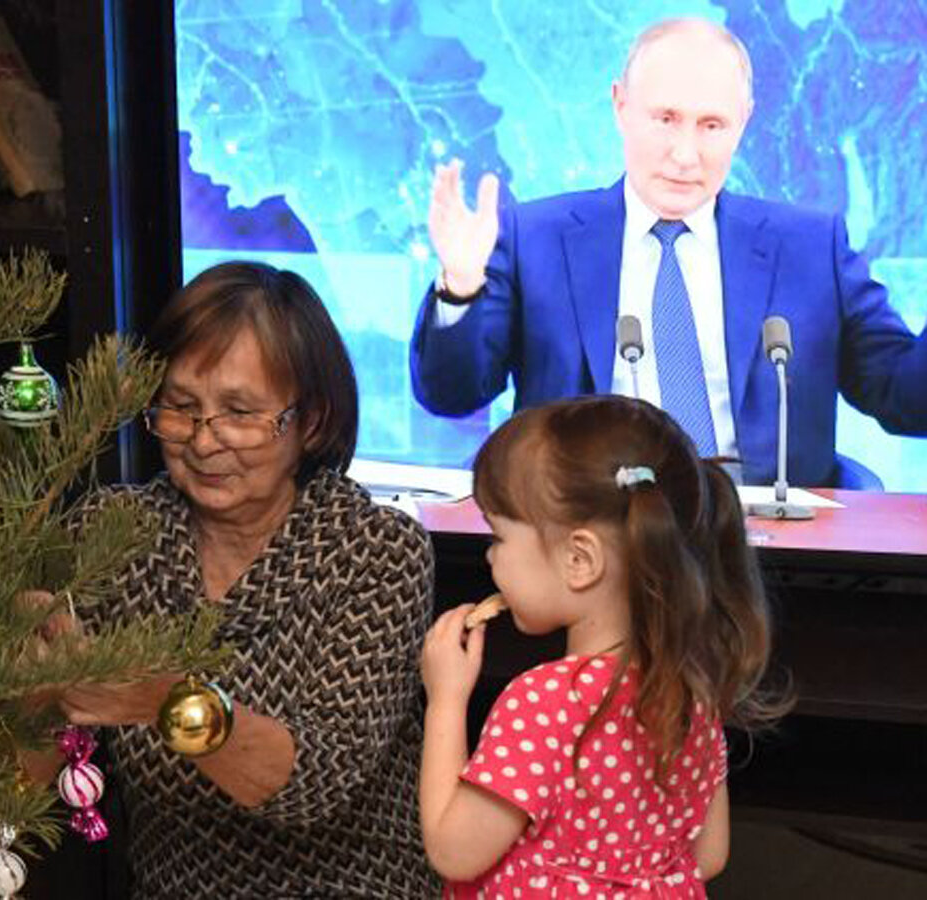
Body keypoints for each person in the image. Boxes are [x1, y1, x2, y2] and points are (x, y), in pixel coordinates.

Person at [410, 17, 927, 487]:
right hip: (585, 531)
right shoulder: (534, 237)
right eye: (666, 119)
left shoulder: (811, 248)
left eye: (711, 125)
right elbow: (451, 395)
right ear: (621, 106)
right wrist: (461, 288)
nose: (685, 154)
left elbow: (906, 400)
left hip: (760, 538)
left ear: (744, 121)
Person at [57, 261, 438, 897]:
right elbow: (28, 765)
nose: (204, 442)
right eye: (181, 408)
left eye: (238, 412)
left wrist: (163, 700)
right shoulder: (114, 532)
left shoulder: (375, 549)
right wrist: (33, 674)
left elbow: (317, 781)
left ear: (311, 421)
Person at [419, 395, 788, 897]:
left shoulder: (544, 702)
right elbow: (708, 854)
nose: (490, 557)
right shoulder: (692, 690)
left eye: (499, 537)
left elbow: (453, 851)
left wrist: (445, 699)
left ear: (580, 560)